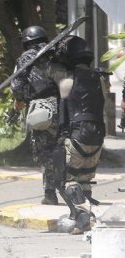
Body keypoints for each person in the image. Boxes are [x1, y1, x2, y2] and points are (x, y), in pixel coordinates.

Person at [47, 36, 106, 231]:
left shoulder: (66, 81)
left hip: (76, 136)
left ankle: (82, 217)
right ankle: (86, 216)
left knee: (66, 179)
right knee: (85, 180)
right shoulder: (100, 80)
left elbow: (49, 71)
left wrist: (52, 57)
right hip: (97, 139)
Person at [11, 25, 62, 205]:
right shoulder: (56, 54)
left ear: (26, 42)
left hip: (42, 108)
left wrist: (19, 100)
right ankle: (73, 188)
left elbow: (17, 85)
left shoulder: (26, 58)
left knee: (45, 151)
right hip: (65, 105)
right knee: (64, 146)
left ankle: (50, 193)